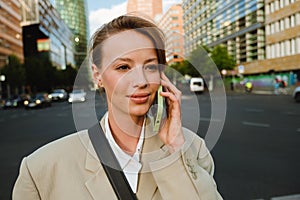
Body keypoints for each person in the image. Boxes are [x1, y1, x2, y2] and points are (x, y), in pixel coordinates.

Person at [13, 15, 223, 199]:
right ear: (98, 76)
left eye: (150, 67)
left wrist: (175, 149)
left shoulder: (193, 150)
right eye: (123, 67)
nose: (140, 80)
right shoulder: (41, 169)